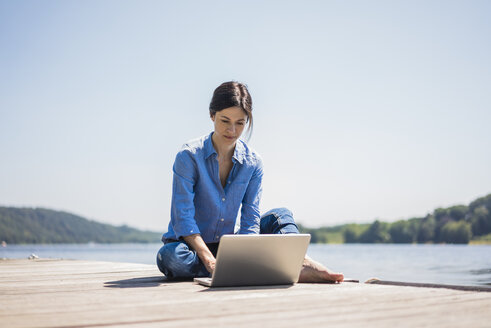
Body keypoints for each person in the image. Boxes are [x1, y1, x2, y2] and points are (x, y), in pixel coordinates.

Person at [156, 81, 344, 283]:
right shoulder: (189, 156)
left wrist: (243, 253)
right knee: (171, 257)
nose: (232, 130)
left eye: (240, 123)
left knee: (280, 215)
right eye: (225, 121)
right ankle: (237, 267)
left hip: (229, 246)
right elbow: (182, 217)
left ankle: (300, 262)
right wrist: (211, 261)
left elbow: (250, 217)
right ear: (212, 115)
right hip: (190, 246)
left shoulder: (253, 162)